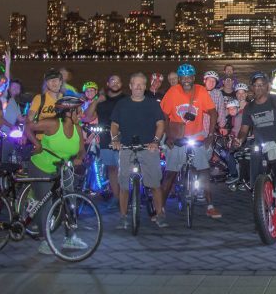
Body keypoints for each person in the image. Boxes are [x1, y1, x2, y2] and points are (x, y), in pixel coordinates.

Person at [234, 72, 276, 236]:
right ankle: (260, 219)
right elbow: (244, 130)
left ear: (267, 86)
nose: (258, 88)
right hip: (261, 148)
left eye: (261, 85)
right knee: (256, 185)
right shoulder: (249, 108)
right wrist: (238, 140)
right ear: (252, 88)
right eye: (255, 85)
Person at [24, 97, 85, 255]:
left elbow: (81, 149)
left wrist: (79, 158)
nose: (81, 114)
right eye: (78, 111)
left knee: (70, 199)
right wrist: (37, 145)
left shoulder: (78, 128)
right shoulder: (53, 124)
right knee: (46, 202)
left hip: (63, 167)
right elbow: (28, 127)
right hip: (42, 166)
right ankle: (45, 241)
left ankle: (70, 237)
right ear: (68, 112)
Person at [160, 64, 221, 218]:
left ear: (194, 78)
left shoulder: (200, 90)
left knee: (204, 171)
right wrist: (168, 135)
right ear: (179, 79)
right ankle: (160, 208)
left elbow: (213, 112)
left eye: (189, 77)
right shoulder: (173, 92)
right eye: (183, 77)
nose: (186, 80)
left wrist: (211, 134)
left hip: (197, 137)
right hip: (178, 137)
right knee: (170, 173)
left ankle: (210, 205)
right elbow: (164, 116)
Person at [110, 73, 168, 228]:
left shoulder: (152, 104)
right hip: (127, 146)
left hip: (148, 146)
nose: (139, 87)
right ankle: (122, 216)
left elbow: (160, 124)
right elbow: (114, 125)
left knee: (155, 183)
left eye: (142, 84)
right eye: (136, 84)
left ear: (145, 86)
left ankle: (160, 214)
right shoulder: (122, 104)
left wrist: (155, 142)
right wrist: (115, 139)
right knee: (123, 183)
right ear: (130, 86)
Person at [83, 75, 126, 203]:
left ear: (121, 84)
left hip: (123, 137)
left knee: (123, 169)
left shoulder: (126, 99)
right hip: (106, 138)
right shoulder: (102, 101)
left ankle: (125, 197)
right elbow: (87, 117)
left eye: (118, 81)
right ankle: (116, 198)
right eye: (112, 81)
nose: (115, 83)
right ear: (107, 84)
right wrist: (96, 100)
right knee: (111, 169)